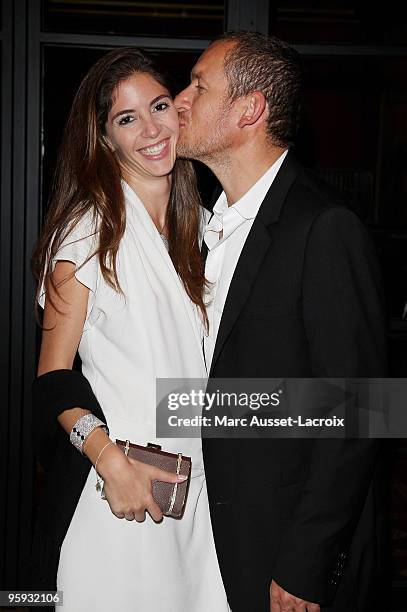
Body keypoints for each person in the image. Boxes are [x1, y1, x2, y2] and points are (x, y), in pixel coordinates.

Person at [175, 31, 387, 612]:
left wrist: (305, 562)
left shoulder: (324, 227)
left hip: (281, 552)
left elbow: (360, 411)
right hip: (203, 536)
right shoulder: (205, 229)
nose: (180, 99)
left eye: (199, 84)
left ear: (250, 110)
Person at [30, 47, 229, 612]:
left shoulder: (208, 230)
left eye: (160, 106)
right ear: (104, 137)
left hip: (202, 498)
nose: (151, 128)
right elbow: (51, 379)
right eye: (126, 118)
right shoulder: (88, 230)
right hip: (123, 493)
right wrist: (107, 459)